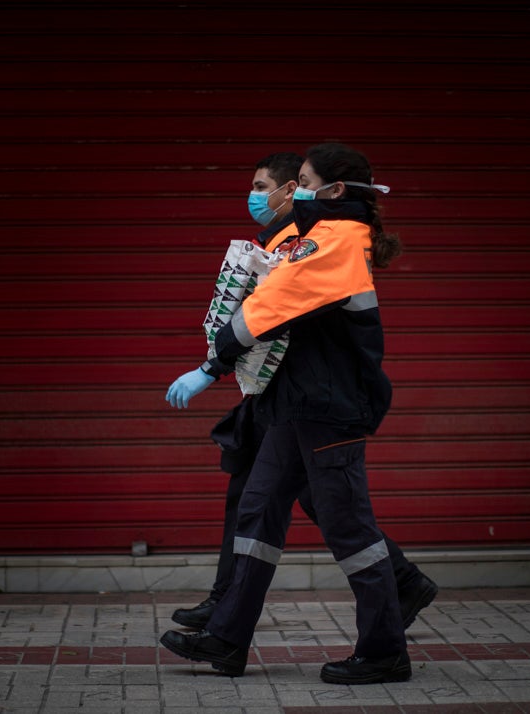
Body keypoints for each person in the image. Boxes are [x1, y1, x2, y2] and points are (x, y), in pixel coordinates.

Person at [161, 142, 414, 685]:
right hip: (297, 402)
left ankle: (385, 650)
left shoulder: (337, 240)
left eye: (302, 179)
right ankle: (227, 638)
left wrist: (213, 364)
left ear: (334, 190)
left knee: (349, 530)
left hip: (328, 406)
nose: (294, 189)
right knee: (257, 513)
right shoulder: (319, 236)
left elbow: (275, 304)